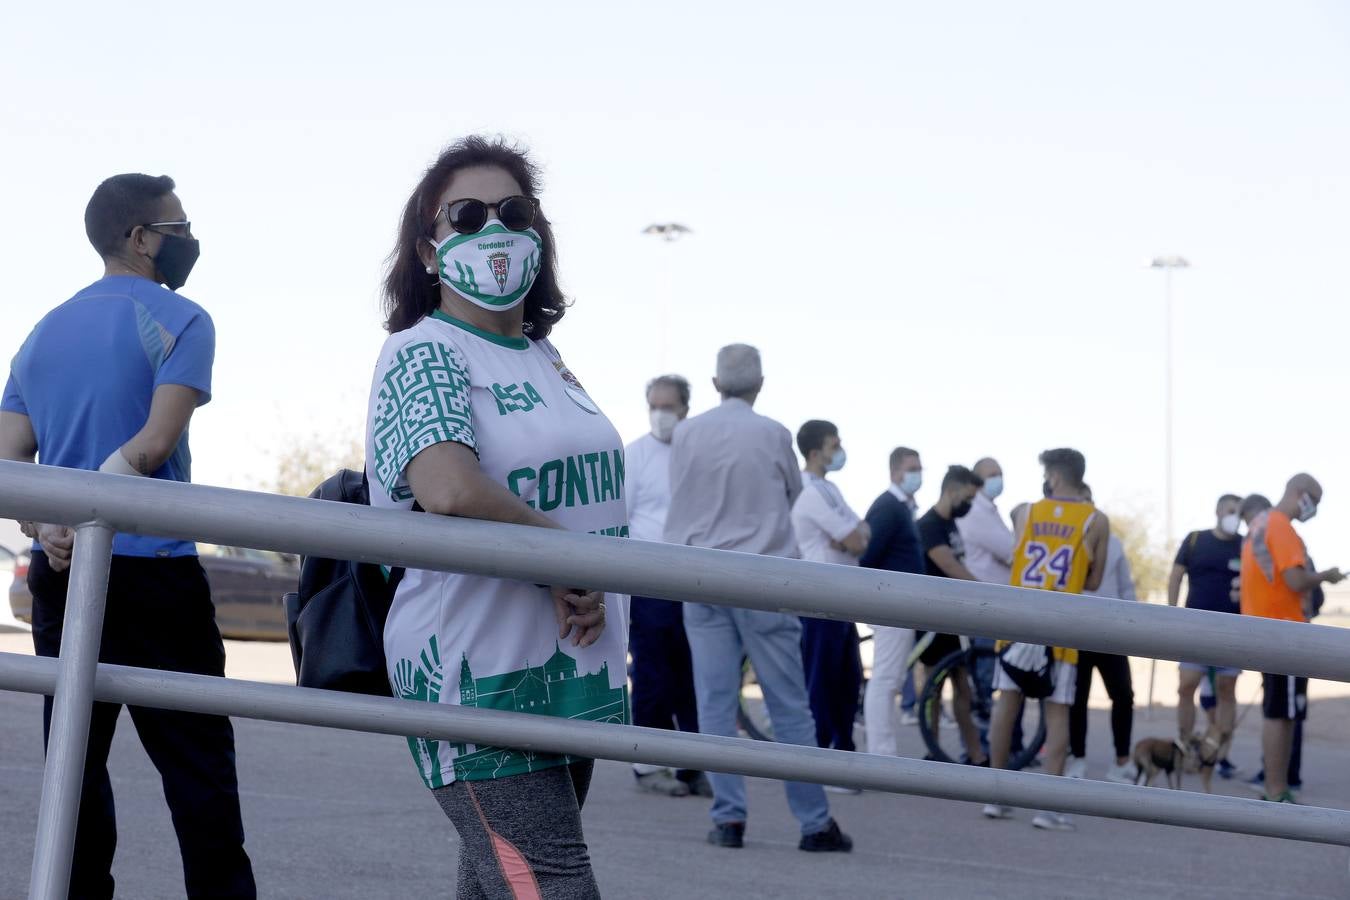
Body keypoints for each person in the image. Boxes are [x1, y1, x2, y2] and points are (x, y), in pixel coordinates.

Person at [366, 136, 626, 896]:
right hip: (476, 675)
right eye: (467, 215)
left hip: (569, 670)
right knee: (553, 884)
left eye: (513, 211)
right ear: (427, 248)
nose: (493, 229)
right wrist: (565, 560)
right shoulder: (424, 352)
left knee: (498, 886)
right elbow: (448, 485)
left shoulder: (547, 358)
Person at [0, 174, 256, 898]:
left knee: (73, 774)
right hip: (153, 569)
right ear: (141, 238)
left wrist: (53, 523)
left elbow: (8, 457)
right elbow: (151, 444)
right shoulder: (182, 318)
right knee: (200, 775)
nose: (188, 240)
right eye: (178, 228)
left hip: (66, 572)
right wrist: (90, 518)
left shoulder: (42, 332)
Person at [664, 344, 851, 853]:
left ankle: (728, 819)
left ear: (715, 382)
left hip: (701, 579)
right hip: (763, 580)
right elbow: (792, 496)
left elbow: (678, 494)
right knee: (789, 705)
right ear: (760, 384)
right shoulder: (774, 434)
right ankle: (814, 824)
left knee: (716, 705)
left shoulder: (686, 433)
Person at [983, 448, 1109, 832]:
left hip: (1018, 621)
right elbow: (1094, 581)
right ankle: (1047, 805)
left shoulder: (1025, 511)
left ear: (1053, 475)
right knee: (1057, 714)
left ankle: (996, 794)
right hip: (1060, 627)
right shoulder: (1095, 520)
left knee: (1007, 705)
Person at [625, 374, 710, 798]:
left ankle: (693, 764)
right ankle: (647, 763)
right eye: (653, 405)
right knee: (653, 675)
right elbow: (620, 519)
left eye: (668, 406)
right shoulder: (635, 456)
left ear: (685, 410)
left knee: (692, 677)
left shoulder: (697, 456)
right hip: (649, 582)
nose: (660, 414)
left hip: (693, 582)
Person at [1238, 475, 1344, 803]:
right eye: (1315, 501)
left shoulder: (1259, 524)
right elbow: (1295, 579)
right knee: (1280, 715)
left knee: (1280, 711)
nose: (1315, 510)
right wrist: (1325, 576)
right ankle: (1275, 789)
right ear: (1300, 494)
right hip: (1283, 633)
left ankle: (1276, 785)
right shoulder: (1281, 526)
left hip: (1264, 630)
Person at [790, 420, 869, 773]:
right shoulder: (808, 492)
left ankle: (843, 752)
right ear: (814, 452)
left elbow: (864, 532)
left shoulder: (830, 489)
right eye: (833, 445)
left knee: (849, 679)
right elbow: (855, 540)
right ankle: (819, 761)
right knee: (822, 683)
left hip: (842, 599)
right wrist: (847, 538)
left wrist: (849, 537)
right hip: (819, 598)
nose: (839, 451)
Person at [914, 465, 990, 765]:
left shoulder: (950, 525)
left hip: (954, 619)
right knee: (934, 690)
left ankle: (976, 754)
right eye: (967, 498)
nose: (969, 505)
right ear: (951, 490)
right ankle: (933, 749)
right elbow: (950, 566)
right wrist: (985, 593)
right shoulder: (929, 525)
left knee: (963, 689)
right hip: (933, 620)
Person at [1167, 494, 1244, 775]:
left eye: (1239, 511)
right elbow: (1176, 576)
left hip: (1233, 631)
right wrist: (1171, 614)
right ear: (1218, 510)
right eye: (1230, 510)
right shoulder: (1195, 540)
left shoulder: (1244, 545)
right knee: (1186, 686)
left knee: (1227, 690)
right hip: (1194, 629)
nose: (1234, 515)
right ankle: (1185, 746)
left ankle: (1219, 752)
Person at [1066, 485, 1137, 784]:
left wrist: (1134, 623)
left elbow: (1126, 588)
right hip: (1074, 630)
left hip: (1111, 630)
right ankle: (1077, 759)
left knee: (1123, 695)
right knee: (1075, 698)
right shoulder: (1065, 544)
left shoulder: (1115, 544)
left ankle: (1122, 761)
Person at [859, 447, 926, 756]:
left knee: (890, 679)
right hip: (890, 604)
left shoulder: (902, 508)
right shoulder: (889, 507)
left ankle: (883, 751)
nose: (917, 474)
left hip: (898, 603)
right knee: (885, 680)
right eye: (911, 468)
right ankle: (881, 753)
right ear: (894, 471)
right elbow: (868, 555)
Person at [956, 457, 1015, 722]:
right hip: (987, 607)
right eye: (991, 475)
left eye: (1000, 474)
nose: (997, 480)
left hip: (998, 605)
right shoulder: (977, 513)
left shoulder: (990, 511)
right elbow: (1012, 551)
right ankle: (989, 745)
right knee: (988, 679)